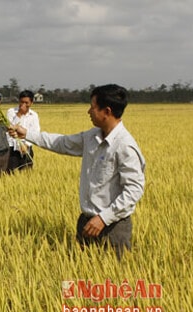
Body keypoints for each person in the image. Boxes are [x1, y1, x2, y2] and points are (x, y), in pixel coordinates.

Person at [9, 84, 145, 259]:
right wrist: (26, 134)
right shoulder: (92, 137)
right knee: (83, 277)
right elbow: (61, 142)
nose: (89, 111)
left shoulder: (125, 146)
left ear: (107, 111)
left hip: (113, 227)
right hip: (86, 222)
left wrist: (104, 218)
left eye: (93, 107)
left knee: (111, 281)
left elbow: (134, 190)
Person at [6, 90, 40, 172]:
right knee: (11, 173)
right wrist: (19, 114)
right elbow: (10, 128)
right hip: (13, 149)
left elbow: (35, 132)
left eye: (26, 103)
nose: (23, 105)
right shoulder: (11, 112)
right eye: (21, 102)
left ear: (31, 103)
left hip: (27, 149)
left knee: (27, 173)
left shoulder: (34, 115)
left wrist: (27, 145)